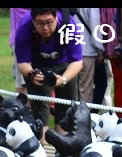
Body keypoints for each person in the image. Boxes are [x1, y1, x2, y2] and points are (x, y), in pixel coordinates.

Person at [14, 8, 83, 137]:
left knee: (67, 104)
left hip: (65, 63)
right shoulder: (24, 28)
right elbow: (23, 62)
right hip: (37, 65)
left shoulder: (69, 25)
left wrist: (63, 79)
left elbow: (77, 62)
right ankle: (42, 142)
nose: (45, 28)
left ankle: (64, 140)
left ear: (56, 17)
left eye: (49, 22)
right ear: (33, 22)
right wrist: (31, 74)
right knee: (39, 105)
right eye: (40, 23)